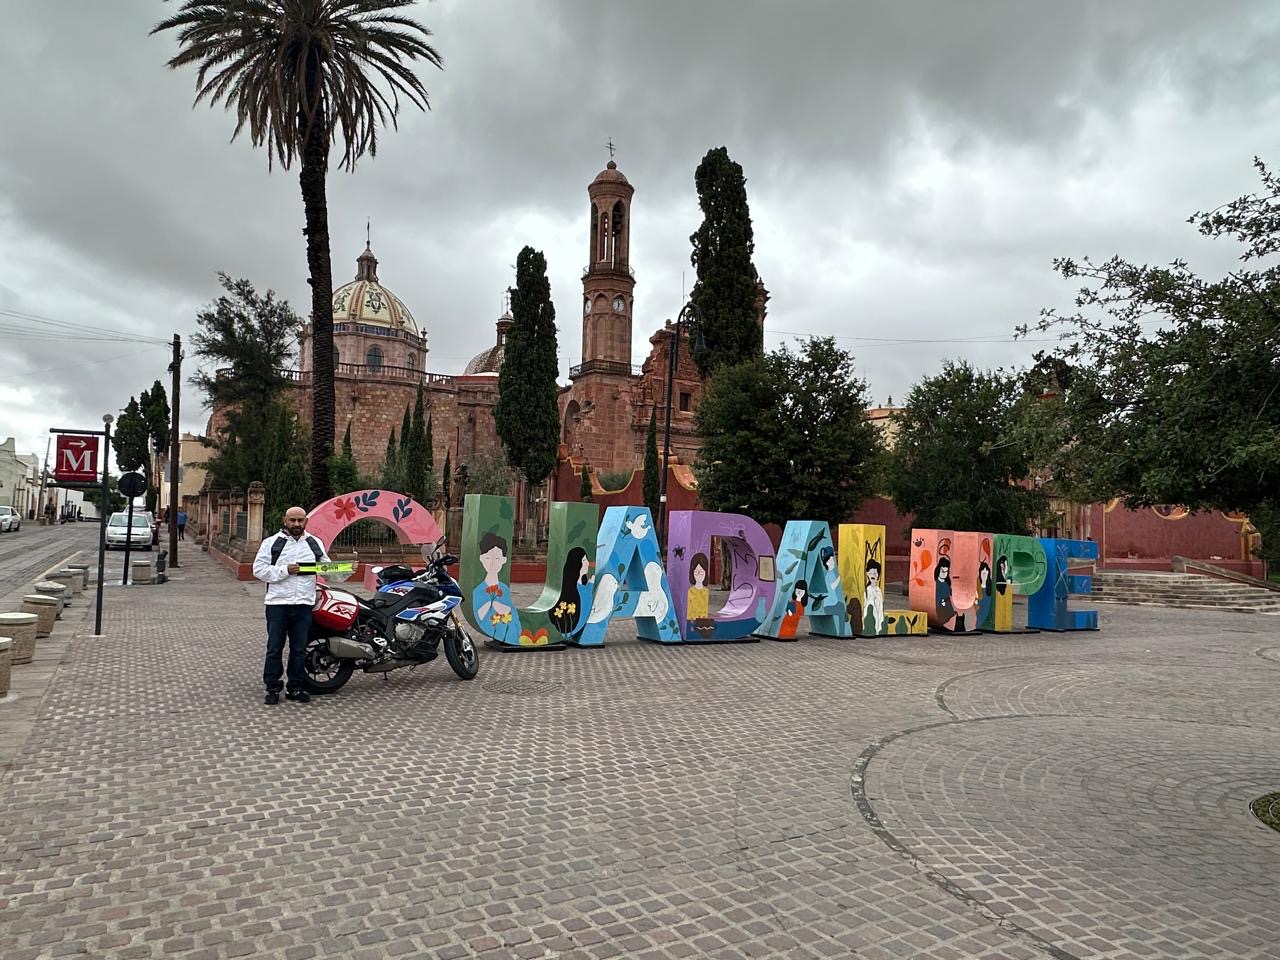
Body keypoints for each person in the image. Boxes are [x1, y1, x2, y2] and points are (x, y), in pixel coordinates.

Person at [252, 506, 329, 705]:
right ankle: (272, 687)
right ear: (284, 520)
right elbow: (259, 570)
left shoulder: (314, 543)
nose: (296, 524)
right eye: (292, 520)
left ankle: (295, 687)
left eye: (300, 520)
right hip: (278, 604)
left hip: (303, 604)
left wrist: (347, 569)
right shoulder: (271, 543)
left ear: (306, 521)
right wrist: (285, 570)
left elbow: (327, 568)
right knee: (274, 648)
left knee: (299, 649)